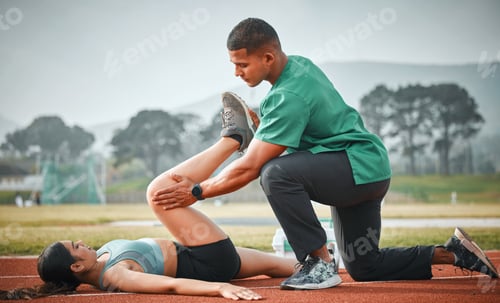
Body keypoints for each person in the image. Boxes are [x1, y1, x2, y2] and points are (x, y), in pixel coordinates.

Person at [151, 17, 499, 290]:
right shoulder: (297, 66)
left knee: (276, 173)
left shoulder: (286, 97)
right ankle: (453, 252)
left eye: (241, 64)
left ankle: (317, 264)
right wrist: (265, 126)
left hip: (354, 168)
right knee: (365, 266)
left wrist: (197, 191)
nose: (236, 72)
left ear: (267, 57)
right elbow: (299, 123)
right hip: (364, 169)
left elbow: (250, 168)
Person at [0, 130, 297, 300]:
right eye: (75, 247)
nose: (80, 241)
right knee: (158, 194)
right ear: (76, 268)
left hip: (199, 254)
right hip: (207, 261)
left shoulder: (103, 254)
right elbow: (172, 285)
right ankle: (234, 138)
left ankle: (332, 263)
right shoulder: (117, 275)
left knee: (291, 267)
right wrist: (220, 287)